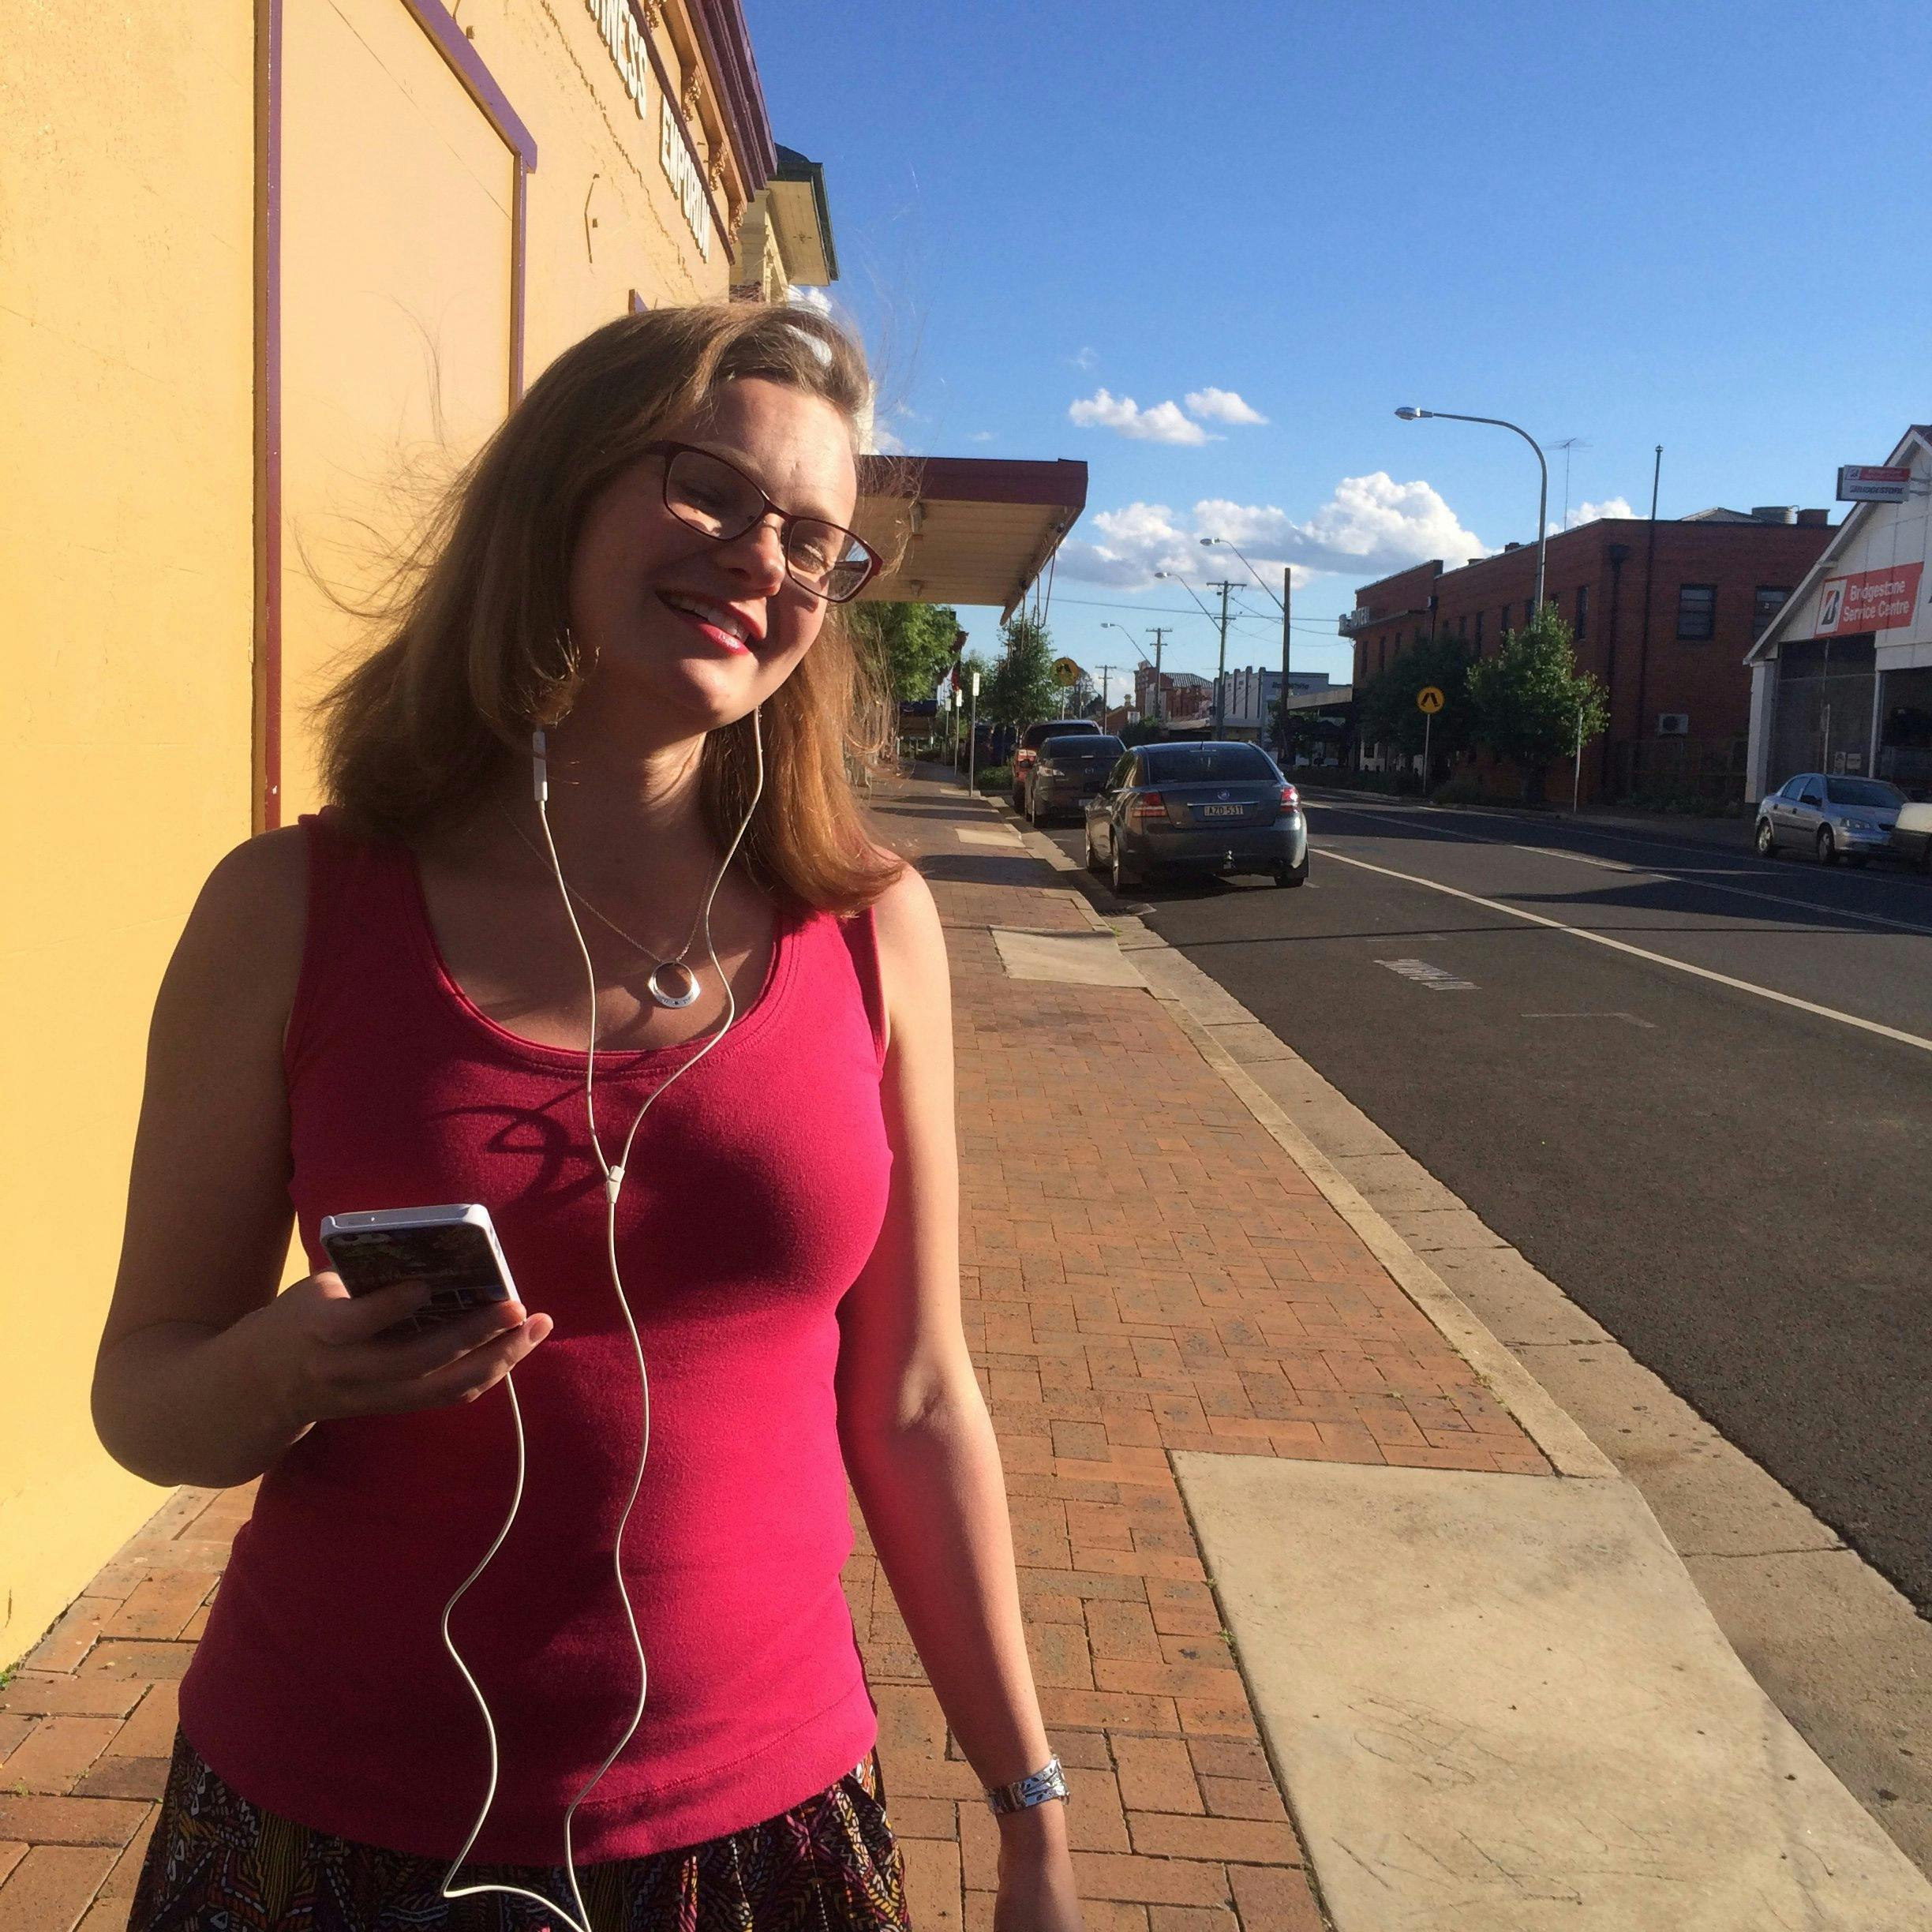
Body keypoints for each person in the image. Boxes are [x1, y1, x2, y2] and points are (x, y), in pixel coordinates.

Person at [93, 303, 1084, 1930]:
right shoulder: (291, 907)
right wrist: (282, 1369)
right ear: (557, 495)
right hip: (328, 1825)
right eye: (708, 488)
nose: (764, 558)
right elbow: (144, 1401)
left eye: (815, 541)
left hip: (762, 1829)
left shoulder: (870, 924)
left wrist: (1029, 1801)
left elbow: (914, 1398)